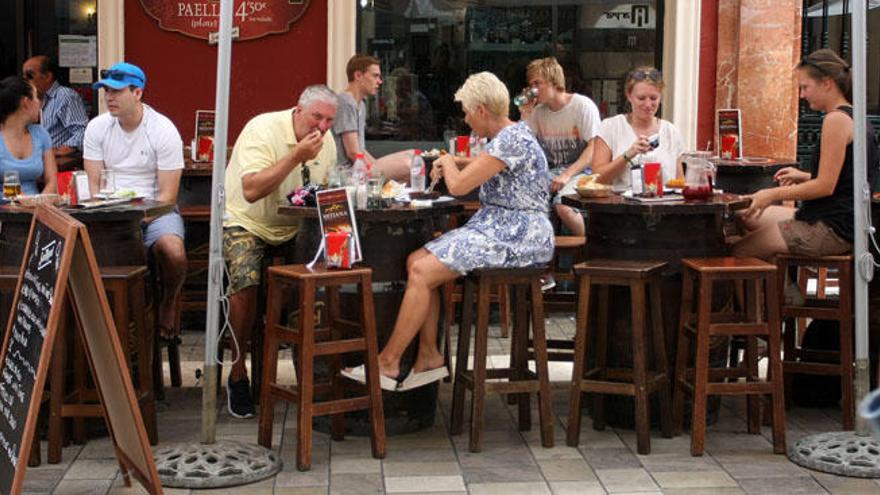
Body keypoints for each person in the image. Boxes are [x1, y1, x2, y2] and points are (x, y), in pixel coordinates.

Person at [343, 72, 554, 390]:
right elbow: (487, 163)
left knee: (423, 271)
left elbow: (458, 186)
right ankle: (428, 357)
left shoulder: (511, 140)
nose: (466, 120)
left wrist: (448, 163)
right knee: (417, 260)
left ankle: (387, 363)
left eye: (468, 113)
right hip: (499, 227)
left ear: (482, 110)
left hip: (519, 234)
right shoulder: (509, 135)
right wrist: (455, 158)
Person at [223, 84, 338, 417]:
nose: (323, 127)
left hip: (294, 226)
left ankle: (314, 372)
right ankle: (237, 371)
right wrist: (295, 157)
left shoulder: (327, 142)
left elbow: (324, 193)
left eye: (330, 120)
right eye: (317, 117)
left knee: (326, 277)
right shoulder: (262, 128)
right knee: (245, 280)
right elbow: (251, 190)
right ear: (298, 111)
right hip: (247, 221)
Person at [732, 49, 878, 264]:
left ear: (827, 83)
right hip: (838, 221)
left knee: (737, 251)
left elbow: (825, 186)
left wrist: (771, 194)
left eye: (805, 87)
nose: (801, 95)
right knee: (745, 213)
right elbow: (844, 178)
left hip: (830, 228)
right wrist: (804, 176)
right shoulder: (854, 116)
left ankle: (785, 295)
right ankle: (788, 291)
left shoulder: (836, 120)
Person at [83, 61, 187, 352]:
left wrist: (139, 220)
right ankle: (100, 324)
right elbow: (94, 188)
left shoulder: (163, 129)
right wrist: (117, 218)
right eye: (105, 91)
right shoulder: (97, 127)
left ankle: (167, 304)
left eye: (116, 91)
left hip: (154, 212)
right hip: (109, 213)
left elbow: (168, 197)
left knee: (174, 252)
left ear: (137, 92)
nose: (109, 97)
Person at [523, 57, 601, 237]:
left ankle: (584, 249)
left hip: (583, 171)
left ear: (553, 81)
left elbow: (594, 147)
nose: (533, 90)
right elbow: (523, 145)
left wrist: (566, 175)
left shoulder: (582, 106)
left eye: (537, 83)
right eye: (530, 85)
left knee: (564, 205)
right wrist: (525, 113)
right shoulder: (537, 112)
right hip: (551, 172)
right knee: (525, 200)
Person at [592, 67, 684, 192]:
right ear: (629, 96)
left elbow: (679, 183)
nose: (647, 104)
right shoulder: (610, 127)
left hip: (663, 205)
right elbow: (596, 179)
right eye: (641, 98)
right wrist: (628, 155)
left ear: (661, 97)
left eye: (653, 98)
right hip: (620, 205)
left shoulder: (671, 132)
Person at [333, 54, 414, 182]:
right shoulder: (345, 102)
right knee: (407, 165)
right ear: (358, 75)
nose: (380, 81)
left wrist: (378, 166)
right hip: (348, 174)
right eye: (375, 76)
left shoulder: (361, 105)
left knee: (413, 155)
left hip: (360, 168)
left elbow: (361, 149)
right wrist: (376, 174)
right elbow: (353, 153)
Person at [22, 55, 89, 165]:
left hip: (58, 165)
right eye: (23, 77)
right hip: (35, 162)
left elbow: (82, 130)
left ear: (48, 76)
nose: (25, 80)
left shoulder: (64, 96)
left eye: (30, 76)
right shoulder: (30, 99)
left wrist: (62, 149)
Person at [0, 75, 57, 195]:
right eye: (37, 97)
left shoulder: (40, 134)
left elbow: (52, 180)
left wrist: (40, 203)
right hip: (6, 209)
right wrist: (20, 201)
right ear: (25, 102)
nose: (40, 103)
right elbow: (13, 197)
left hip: (37, 208)